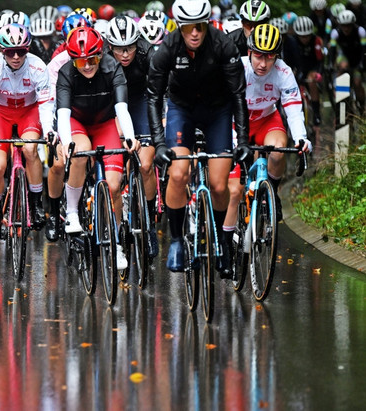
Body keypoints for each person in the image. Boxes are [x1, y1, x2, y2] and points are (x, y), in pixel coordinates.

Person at [149, 0, 250, 277]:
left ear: (207, 24)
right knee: (179, 172)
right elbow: (154, 97)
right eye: (188, 28)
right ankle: (177, 240)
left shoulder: (224, 46)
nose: (195, 33)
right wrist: (159, 144)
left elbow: (238, 96)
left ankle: (221, 242)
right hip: (182, 110)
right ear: (179, 27)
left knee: (219, 186)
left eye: (200, 26)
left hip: (218, 111)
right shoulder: (167, 48)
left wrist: (243, 140)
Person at [53, 27, 139, 270]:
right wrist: (67, 142)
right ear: (72, 59)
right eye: (81, 60)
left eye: (92, 59)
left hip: (104, 123)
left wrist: (130, 137)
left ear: (100, 56)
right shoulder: (66, 73)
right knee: (80, 151)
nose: (87, 65)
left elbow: (122, 108)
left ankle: (118, 243)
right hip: (77, 123)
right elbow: (63, 113)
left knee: (113, 186)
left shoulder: (112, 68)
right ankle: (71, 213)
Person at [224, 24, 312, 246]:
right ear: (250, 52)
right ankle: (227, 235)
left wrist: (301, 138)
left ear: (277, 57)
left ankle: (271, 193)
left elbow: (293, 109)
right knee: (234, 187)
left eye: (270, 57)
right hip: (237, 122)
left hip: (266, 119)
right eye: (259, 56)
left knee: (277, 153)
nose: (263, 64)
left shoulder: (284, 72)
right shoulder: (237, 68)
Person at [0, 23, 55, 244]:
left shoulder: (38, 67)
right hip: (0, 114)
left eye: (21, 51)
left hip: (28, 112)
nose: (16, 57)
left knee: (31, 149)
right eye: (11, 52)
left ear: (28, 50)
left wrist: (48, 129)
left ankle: (37, 202)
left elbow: (46, 102)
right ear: (3, 51)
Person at [106, 15, 159, 257]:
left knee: (146, 164)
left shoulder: (148, 54)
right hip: (112, 104)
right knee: (117, 149)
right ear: (110, 46)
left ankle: (148, 223)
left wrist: (162, 117)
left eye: (130, 47)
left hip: (140, 103)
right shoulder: (103, 58)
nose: (125, 53)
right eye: (119, 48)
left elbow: (162, 89)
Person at [284, 16, 325, 125]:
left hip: (311, 67)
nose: (305, 39)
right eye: (302, 36)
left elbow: (320, 59)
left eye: (307, 36)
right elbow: (288, 59)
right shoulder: (291, 41)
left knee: (312, 82)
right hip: (297, 67)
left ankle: (316, 114)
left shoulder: (316, 40)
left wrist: (319, 73)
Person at [330, 10, 366, 108]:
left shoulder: (361, 31)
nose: (346, 28)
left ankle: (362, 107)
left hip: (358, 58)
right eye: (343, 25)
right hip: (344, 56)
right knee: (343, 66)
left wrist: (362, 64)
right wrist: (331, 64)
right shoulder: (335, 33)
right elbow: (332, 51)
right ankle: (340, 96)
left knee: (357, 83)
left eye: (349, 25)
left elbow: (364, 49)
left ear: (353, 24)